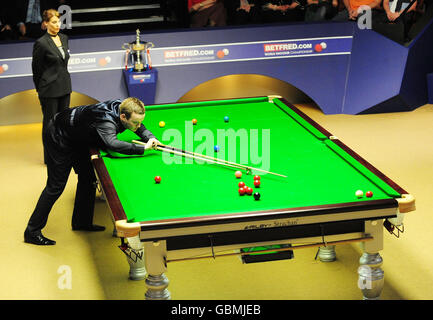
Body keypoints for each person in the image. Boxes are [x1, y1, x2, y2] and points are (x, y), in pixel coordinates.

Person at [24, 97, 160, 246]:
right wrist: (143, 148)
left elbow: (137, 126)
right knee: (55, 186)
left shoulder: (125, 107)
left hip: (77, 135)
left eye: (140, 121)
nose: (138, 125)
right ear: (123, 116)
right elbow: (112, 143)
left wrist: (150, 137)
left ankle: (81, 222)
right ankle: (32, 232)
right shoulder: (107, 122)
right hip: (58, 135)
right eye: (135, 122)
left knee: (88, 178)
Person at [32, 9, 71, 164]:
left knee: (64, 122)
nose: (57, 25)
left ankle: (64, 152)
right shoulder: (41, 43)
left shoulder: (64, 38)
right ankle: (50, 157)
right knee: (50, 124)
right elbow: (36, 69)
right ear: (46, 23)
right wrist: (40, 88)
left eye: (58, 21)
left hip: (65, 86)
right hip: (49, 90)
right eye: (54, 22)